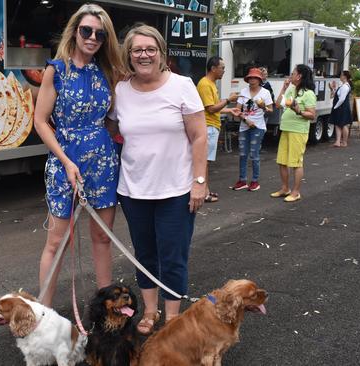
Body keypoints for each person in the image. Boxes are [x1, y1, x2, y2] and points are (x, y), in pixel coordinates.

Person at [106, 24, 206, 335]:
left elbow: (199, 135)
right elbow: (110, 131)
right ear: (129, 55)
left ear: (161, 53)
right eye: (137, 50)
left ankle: (173, 317)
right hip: (134, 190)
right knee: (145, 254)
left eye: (151, 49)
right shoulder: (121, 90)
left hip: (176, 190)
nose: (144, 55)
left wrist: (199, 181)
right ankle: (149, 311)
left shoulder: (182, 85)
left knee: (173, 256)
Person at [33, 3, 125, 307]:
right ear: (74, 32)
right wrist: (66, 160)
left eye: (99, 34)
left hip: (102, 161)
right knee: (58, 242)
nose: (92, 37)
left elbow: (112, 118)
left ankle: (107, 311)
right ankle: (43, 313)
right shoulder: (56, 70)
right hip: (64, 162)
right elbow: (40, 120)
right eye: (87, 30)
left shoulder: (108, 72)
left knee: (102, 239)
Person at [271, 64, 316, 202]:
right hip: (286, 128)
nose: (290, 75)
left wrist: (299, 111)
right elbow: (278, 104)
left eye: (293, 73)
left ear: (299, 76)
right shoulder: (291, 89)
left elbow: (312, 115)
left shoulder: (308, 94)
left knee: (296, 163)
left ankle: (296, 192)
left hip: (298, 131)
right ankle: (285, 188)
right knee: (282, 161)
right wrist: (284, 88)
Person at [196, 56, 238, 202]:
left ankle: (206, 190)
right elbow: (211, 108)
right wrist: (228, 100)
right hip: (208, 127)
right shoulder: (205, 84)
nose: (224, 71)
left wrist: (229, 111)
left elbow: (213, 108)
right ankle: (204, 192)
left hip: (212, 126)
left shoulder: (211, 84)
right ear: (213, 68)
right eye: (222, 68)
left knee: (206, 162)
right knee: (204, 162)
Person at [232, 67, 273, 192]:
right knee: (243, 154)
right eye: (250, 77)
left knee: (254, 154)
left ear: (260, 79)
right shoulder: (244, 91)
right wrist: (246, 120)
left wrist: (264, 107)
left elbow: (271, 110)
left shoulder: (265, 93)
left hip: (258, 127)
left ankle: (255, 181)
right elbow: (237, 110)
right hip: (244, 126)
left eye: (255, 77)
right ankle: (242, 180)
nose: (252, 80)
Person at [329, 70, 353, 147]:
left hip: (342, 107)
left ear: (345, 77)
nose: (340, 76)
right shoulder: (342, 85)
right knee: (337, 124)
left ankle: (344, 142)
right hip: (340, 107)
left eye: (341, 75)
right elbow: (336, 95)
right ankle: (338, 141)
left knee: (344, 124)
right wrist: (332, 88)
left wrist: (335, 107)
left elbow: (342, 99)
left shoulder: (345, 86)